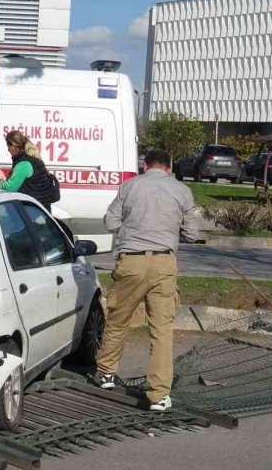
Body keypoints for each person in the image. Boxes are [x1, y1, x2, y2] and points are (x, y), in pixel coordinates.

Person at [93, 149, 199, 412]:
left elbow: (110, 222)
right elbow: (192, 232)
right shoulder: (181, 190)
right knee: (161, 331)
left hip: (131, 261)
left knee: (118, 319)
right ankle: (159, 395)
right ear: (168, 167)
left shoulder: (130, 186)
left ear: (145, 165)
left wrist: (132, 228)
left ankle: (106, 373)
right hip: (164, 263)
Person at [0, 130, 56, 210]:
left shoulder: (24, 164)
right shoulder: (35, 159)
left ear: (14, 146)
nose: (8, 150)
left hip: (32, 210)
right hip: (42, 209)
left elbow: (10, 187)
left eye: (8, 146)